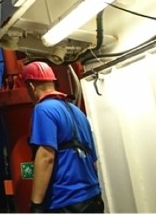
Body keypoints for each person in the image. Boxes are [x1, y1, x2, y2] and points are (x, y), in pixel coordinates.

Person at [22, 61, 105, 213]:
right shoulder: (77, 112)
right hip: (93, 198)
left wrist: (36, 205)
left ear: (31, 86)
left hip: (66, 201)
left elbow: (46, 157)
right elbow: (93, 161)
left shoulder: (43, 109)